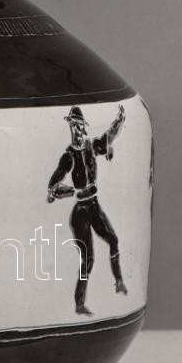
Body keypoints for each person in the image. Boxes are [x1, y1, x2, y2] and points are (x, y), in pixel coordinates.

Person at [47, 104, 127, 316]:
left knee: (113, 239)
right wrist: (75, 192)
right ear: (70, 127)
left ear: (84, 126)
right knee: (88, 260)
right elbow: (52, 187)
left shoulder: (91, 146)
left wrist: (119, 121)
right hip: (80, 213)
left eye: (80, 125)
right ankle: (79, 304)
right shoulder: (69, 156)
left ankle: (119, 281)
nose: (78, 129)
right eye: (74, 125)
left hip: (94, 206)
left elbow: (108, 138)